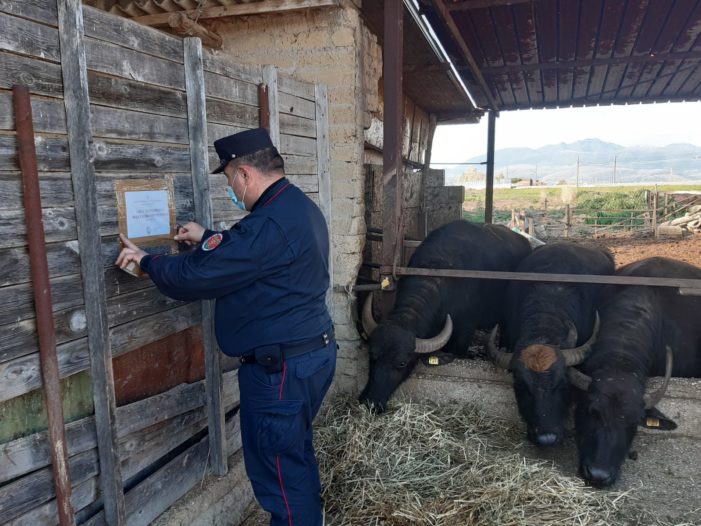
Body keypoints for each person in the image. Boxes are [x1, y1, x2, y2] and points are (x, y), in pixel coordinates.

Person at [116, 128, 336, 526]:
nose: (231, 188)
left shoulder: (267, 223)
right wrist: (209, 238)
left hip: (281, 372)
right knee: (292, 459)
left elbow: (198, 278)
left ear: (245, 174)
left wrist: (148, 263)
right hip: (309, 357)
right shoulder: (296, 206)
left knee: (278, 476)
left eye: (229, 179)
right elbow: (256, 255)